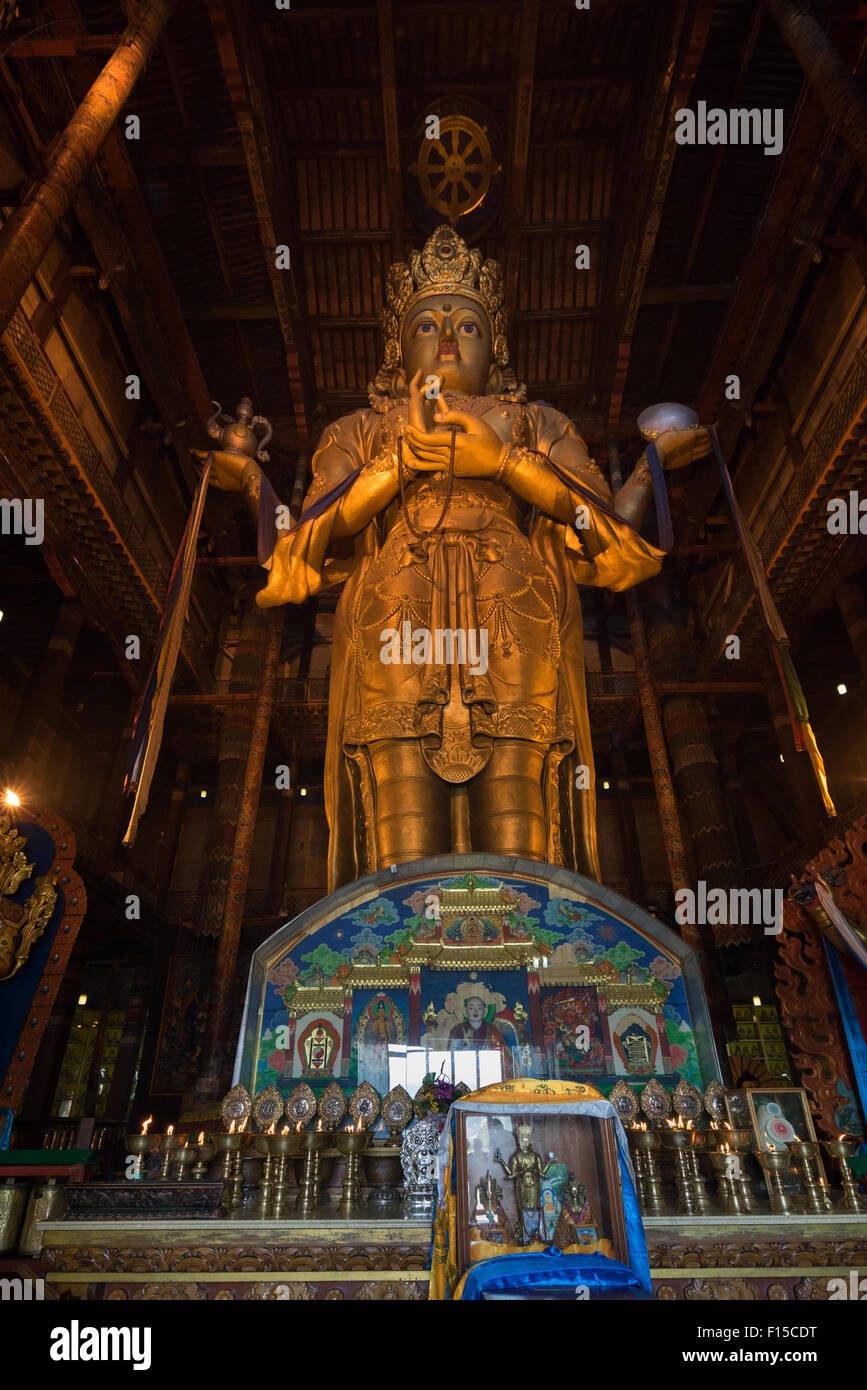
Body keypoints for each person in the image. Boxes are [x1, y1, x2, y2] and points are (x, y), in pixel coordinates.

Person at [206, 225, 707, 890]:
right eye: (427, 326)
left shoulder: (537, 422)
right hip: (397, 614)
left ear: (494, 346)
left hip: (513, 612)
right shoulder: (358, 429)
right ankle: (389, 946)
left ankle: (530, 946)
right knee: (400, 827)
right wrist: (395, 468)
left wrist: (509, 464)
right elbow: (315, 533)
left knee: (519, 817)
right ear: (398, 348)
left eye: (467, 326)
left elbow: (603, 528)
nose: (447, 339)